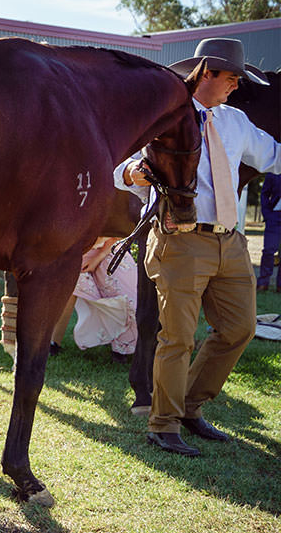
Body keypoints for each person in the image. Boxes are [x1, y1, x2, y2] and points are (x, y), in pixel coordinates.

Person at [115, 38, 280, 456]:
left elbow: (274, 156)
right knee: (178, 337)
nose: (236, 86)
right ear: (206, 73)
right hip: (180, 241)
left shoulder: (236, 121)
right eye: (231, 78)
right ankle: (163, 423)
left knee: (240, 329)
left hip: (230, 241)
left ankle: (189, 406)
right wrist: (136, 172)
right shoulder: (166, 115)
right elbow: (123, 167)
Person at [49, 237, 137, 362]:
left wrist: (97, 258)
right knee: (69, 285)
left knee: (129, 300)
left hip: (108, 251)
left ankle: (122, 348)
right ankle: (52, 343)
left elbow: (119, 234)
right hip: (75, 256)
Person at [258, 172, 281, 292]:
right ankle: (263, 282)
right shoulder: (274, 172)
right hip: (275, 217)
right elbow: (265, 194)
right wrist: (267, 214)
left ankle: (280, 286)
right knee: (268, 250)